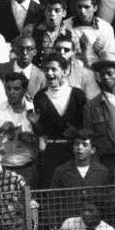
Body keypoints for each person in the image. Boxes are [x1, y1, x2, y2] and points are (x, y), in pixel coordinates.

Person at [30, 51, 88, 189]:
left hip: (74, 152)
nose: (49, 73)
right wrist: (35, 124)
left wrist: (77, 132)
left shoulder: (77, 95)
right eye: (46, 69)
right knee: (52, 190)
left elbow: (86, 124)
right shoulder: (39, 97)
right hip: (51, 153)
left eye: (54, 69)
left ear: (64, 71)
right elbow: (41, 132)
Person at [0, 72, 40, 188]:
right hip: (4, 168)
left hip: (27, 167)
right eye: (8, 88)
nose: (11, 92)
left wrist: (32, 137)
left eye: (16, 88)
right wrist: (0, 129)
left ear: (24, 90)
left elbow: (42, 142)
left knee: (29, 203)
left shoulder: (33, 110)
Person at [64, 0, 115, 65]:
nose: (82, 11)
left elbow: (112, 60)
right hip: (72, 69)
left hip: (97, 70)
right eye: (79, 7)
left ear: (95, 8)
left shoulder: (105, 28)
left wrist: (101, 53)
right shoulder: (65, 25)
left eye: (86, 7)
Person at [0, 36, 47, 101]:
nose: (25, 52)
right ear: (15, 50)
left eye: (29, 49)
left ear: (35, 52)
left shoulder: (42, 77)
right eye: (21, 49)